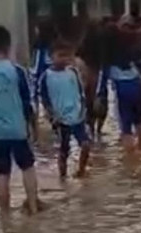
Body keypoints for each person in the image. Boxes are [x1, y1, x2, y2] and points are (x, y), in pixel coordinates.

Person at [0, 25, 40, 215]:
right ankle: (33, 206)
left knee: (1, 174)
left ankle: (5, 216)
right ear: (8, 45)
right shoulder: (16, 71)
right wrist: (34, 127)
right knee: (27, 167)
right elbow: (27, 102)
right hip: (16, 128)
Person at [101, 16, 141, 151]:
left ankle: (130, 161)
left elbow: (103, 79)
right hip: (137, 86)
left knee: (126, 126)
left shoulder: (109, 58)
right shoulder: (135, 49)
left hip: (123, 91)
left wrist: (101, 94)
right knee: (139, 121)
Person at [39, 39, 91, 179]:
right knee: (64, 149)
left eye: (67, 56)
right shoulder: (46, 76)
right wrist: (51, 115)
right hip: (61, 119)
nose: (64, 59)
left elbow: (80, 92)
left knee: (86, 145)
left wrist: (83, 109)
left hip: (78, 116)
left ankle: (81, 171)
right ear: (51, 57)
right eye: (60, 55)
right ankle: (63, 177)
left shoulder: (73, 72)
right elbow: (44, 99)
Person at [76, 21, 107, 138]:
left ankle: (91, 130)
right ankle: (98, 131)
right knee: (100, 101)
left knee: (88, 102)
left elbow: (77, 56)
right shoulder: (102, 43)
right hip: (96, 71)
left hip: (88, 71)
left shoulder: (83, 43)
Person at [31, 20, 56, 109]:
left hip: (43, 91)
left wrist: (34, 97)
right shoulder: (55, 48)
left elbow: (35, 72)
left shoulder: (40, 49)